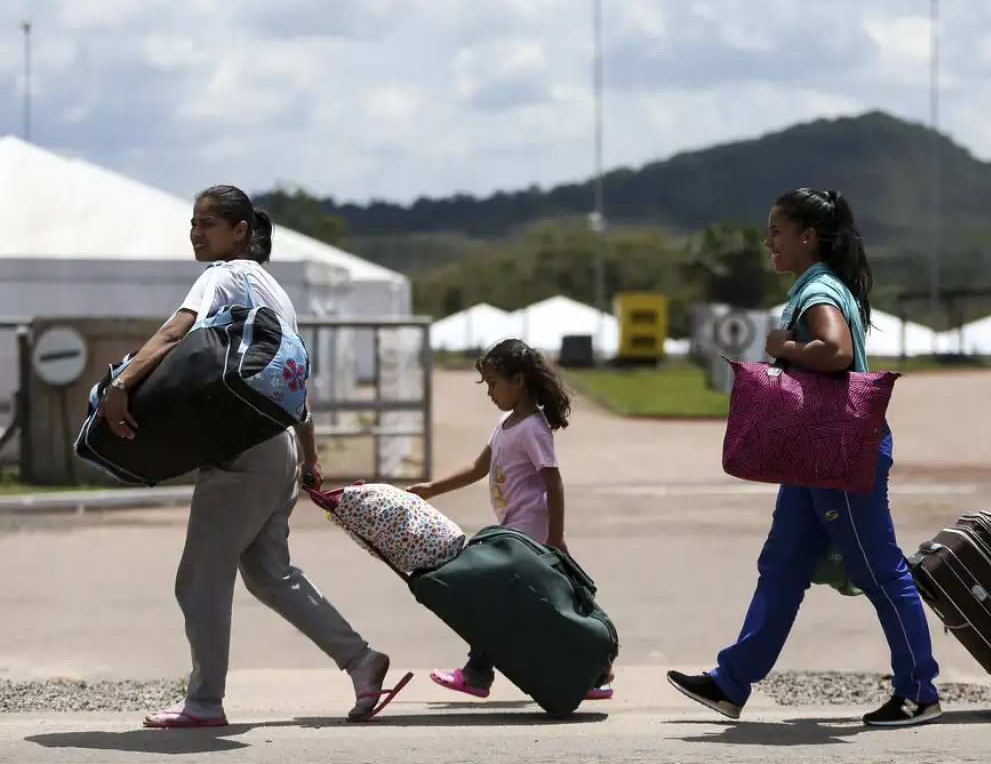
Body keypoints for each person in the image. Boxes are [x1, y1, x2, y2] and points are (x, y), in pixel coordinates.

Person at [97, 185, 394, 728]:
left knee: (198, 578)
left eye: (207, 224)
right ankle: (361, 660)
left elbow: (174, 332)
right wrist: (308, 454)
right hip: (275, 444)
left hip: (241, 450)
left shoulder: (223, 275)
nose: (196, 232)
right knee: (269, 574)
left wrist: (122, 385)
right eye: (193, 222)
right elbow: (293, 376)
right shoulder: (274, 291)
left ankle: (205, 702)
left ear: (240, 232)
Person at [666, 188, 942, 727]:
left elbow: (835, 352)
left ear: (807, 236)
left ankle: (919, 691)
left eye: (776, 230)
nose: (768, 240)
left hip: (837, 453)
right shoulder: (816, 287)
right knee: (783, 566)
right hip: (811, 455)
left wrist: (784, 347)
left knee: (879, 570)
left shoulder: (818, 291)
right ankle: (730, 683)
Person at [407, 338, 613, 701]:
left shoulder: (533, 428)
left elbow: (554, 481)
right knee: (535, 609)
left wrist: (556, 537)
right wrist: (433, 488)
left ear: (518, 380)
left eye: (493, 383)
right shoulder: (506, 424)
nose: (489, 392)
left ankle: (477, 673)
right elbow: (477, 468)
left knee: (492, 598)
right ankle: (594, 676)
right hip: (513, 533)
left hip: (528, 536)